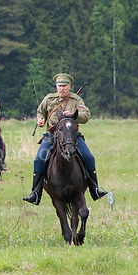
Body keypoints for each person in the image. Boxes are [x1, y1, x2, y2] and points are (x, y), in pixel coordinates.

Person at [23, 73, 108, 205]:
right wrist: (40, 119)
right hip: (52, 136)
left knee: (89, 157)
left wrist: (74, 115)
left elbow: (86, 115)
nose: (61, 88)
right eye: (59, 86)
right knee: (39, 159)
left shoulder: (76, 100)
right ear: (56, 86)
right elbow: (40, 111)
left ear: (69, 86)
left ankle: (95, 189)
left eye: (64, 86)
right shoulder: (49, 99)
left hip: (71, 137)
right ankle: (35, 193)